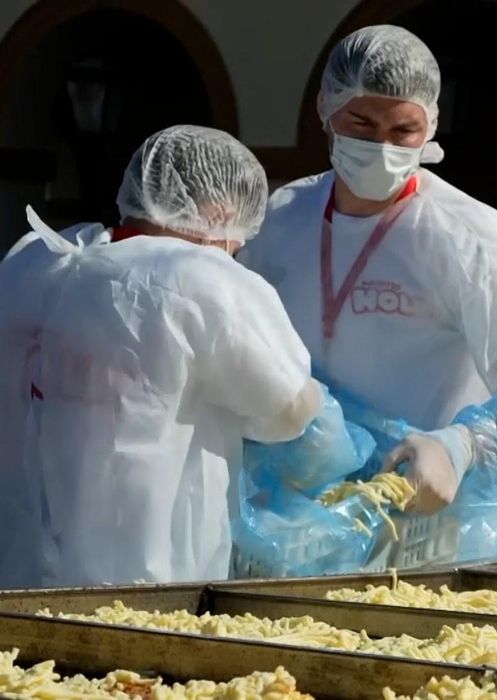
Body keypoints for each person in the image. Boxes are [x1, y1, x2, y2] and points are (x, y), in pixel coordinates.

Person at [238, 26, 497, 519]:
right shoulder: (282, 217)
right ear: (325, 110)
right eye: (361, 124)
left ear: (431, 127)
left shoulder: (473, 236)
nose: (381, 146)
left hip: (428, 520)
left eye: (402, 132)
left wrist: (461, 448)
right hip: (304, 519)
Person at [0, 125, 322, 587]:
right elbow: (288, 409)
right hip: (140, 587)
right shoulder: (199, 276)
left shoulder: (36, 257)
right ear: (220, 213)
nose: (238, 248)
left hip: (15, 579)